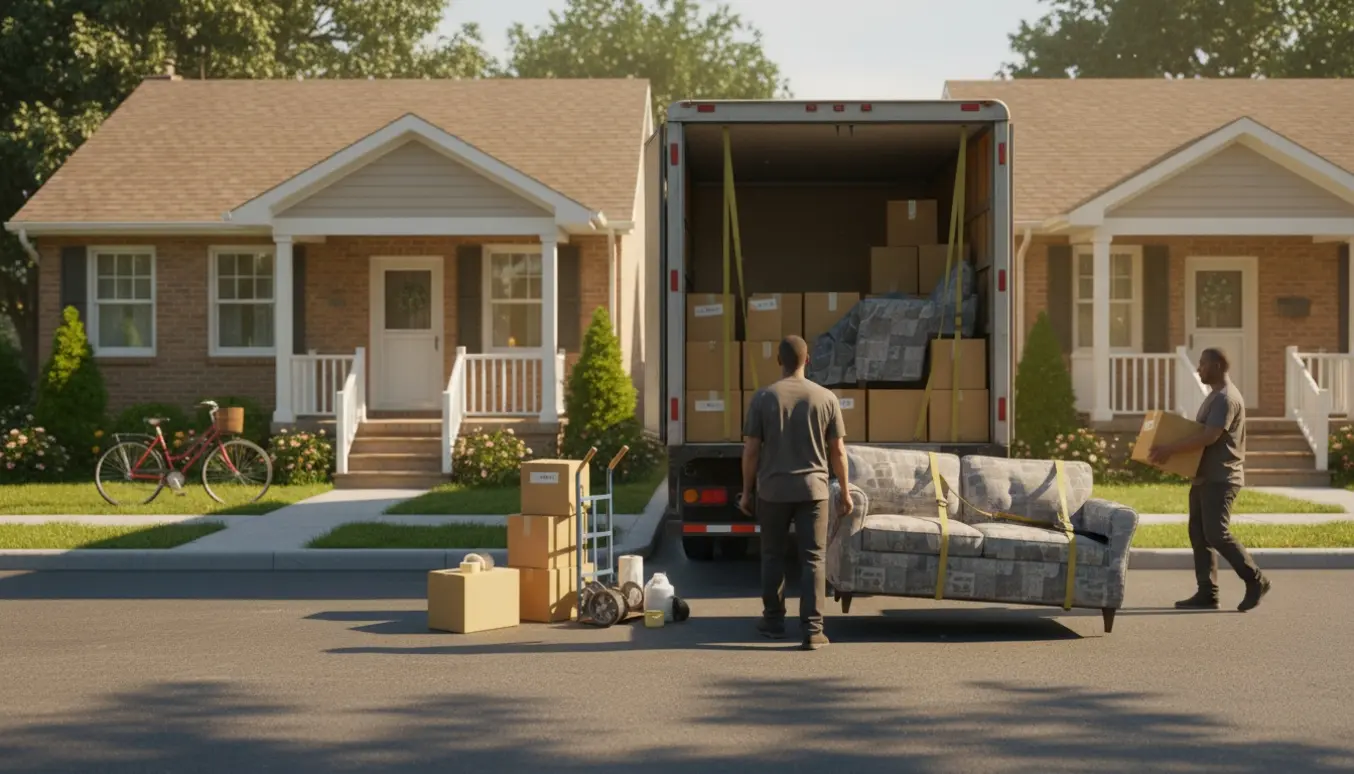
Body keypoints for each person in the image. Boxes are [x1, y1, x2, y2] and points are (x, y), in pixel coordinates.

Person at [737, 335, 852, 651]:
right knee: (813, 558)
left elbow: (751, 450)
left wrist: (747, 491)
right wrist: (844, 490)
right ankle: (813, 630)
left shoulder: (763, 398)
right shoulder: (826, 398)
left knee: (772, 554)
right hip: (813, 491)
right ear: (808, 359)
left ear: (778, 360)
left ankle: (773, 621)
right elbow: (838, 451)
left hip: (773, 491)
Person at [1149, 347, 1271, 612]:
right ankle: (1207, 592)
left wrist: (1170, 449)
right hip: (1204, 476)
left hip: (1221, 477)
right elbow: (1200, 432)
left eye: (1202, 364)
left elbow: (1209, 436)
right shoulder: (1214, 397)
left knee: (1217, 533)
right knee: (1199, 534)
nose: (1198, 369)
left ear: (1216, 366)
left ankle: (1256, 579)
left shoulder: (1226, 399)